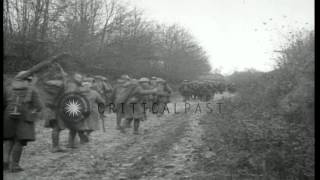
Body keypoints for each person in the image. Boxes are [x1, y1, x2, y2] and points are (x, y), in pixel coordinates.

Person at [3, 72, 42, 172]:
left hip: (8, 115)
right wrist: (33, 112)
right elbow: (39, 106)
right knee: (19, 141)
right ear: (29, 80)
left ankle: (5, 162)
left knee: (9, 139)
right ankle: (15, 165)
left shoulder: (8, 88)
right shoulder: (32, 89)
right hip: (24, 117)